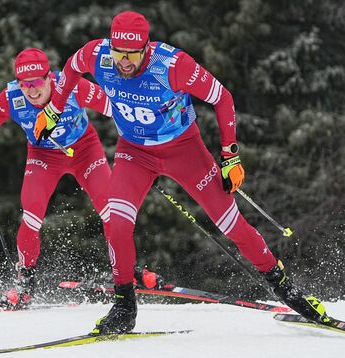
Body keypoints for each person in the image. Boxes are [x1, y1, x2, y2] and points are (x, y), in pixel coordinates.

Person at [34, 11, 330, 334]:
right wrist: (52, 110)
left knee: (231, 224)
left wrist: (230, 156)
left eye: (133, 55)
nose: (124, 62)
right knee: (116, 223)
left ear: (146, 48)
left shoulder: (172, 66)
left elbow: (223, 98)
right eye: (119, 53)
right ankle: (124, 306)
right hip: (134, 152)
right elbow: (71, 69)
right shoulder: (98, 55)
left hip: (184, 150)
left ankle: (287, 289)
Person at [0, 48, 113, 309]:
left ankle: (126, 270)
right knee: (31, 213)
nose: (31, 91)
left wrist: (141, 141)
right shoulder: (11, 97)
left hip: (84, 149)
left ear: (49, 78)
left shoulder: (73, 87)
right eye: (24, 85)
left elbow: (115, 107)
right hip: (44, 156)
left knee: (111, 208)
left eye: (37, 83)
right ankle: (25, 283)